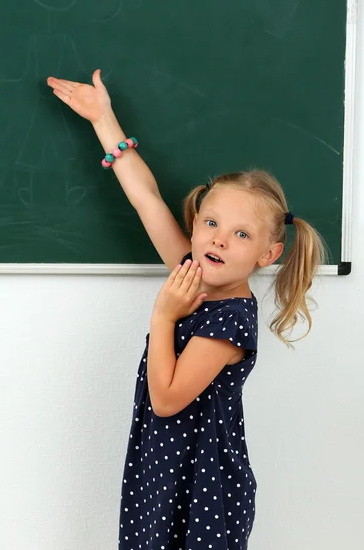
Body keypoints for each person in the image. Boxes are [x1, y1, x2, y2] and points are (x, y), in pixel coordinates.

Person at [47, 70, 325, 549]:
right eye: (212, 222)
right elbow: (146, 198)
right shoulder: (193, 276)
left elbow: (168, 399)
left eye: (241, 234)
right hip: (164, 471)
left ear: (267, 254)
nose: (219, 237)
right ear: (195, 225)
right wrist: (103, 118)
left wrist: (163, 315)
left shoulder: (230, 317)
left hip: (202, 488)